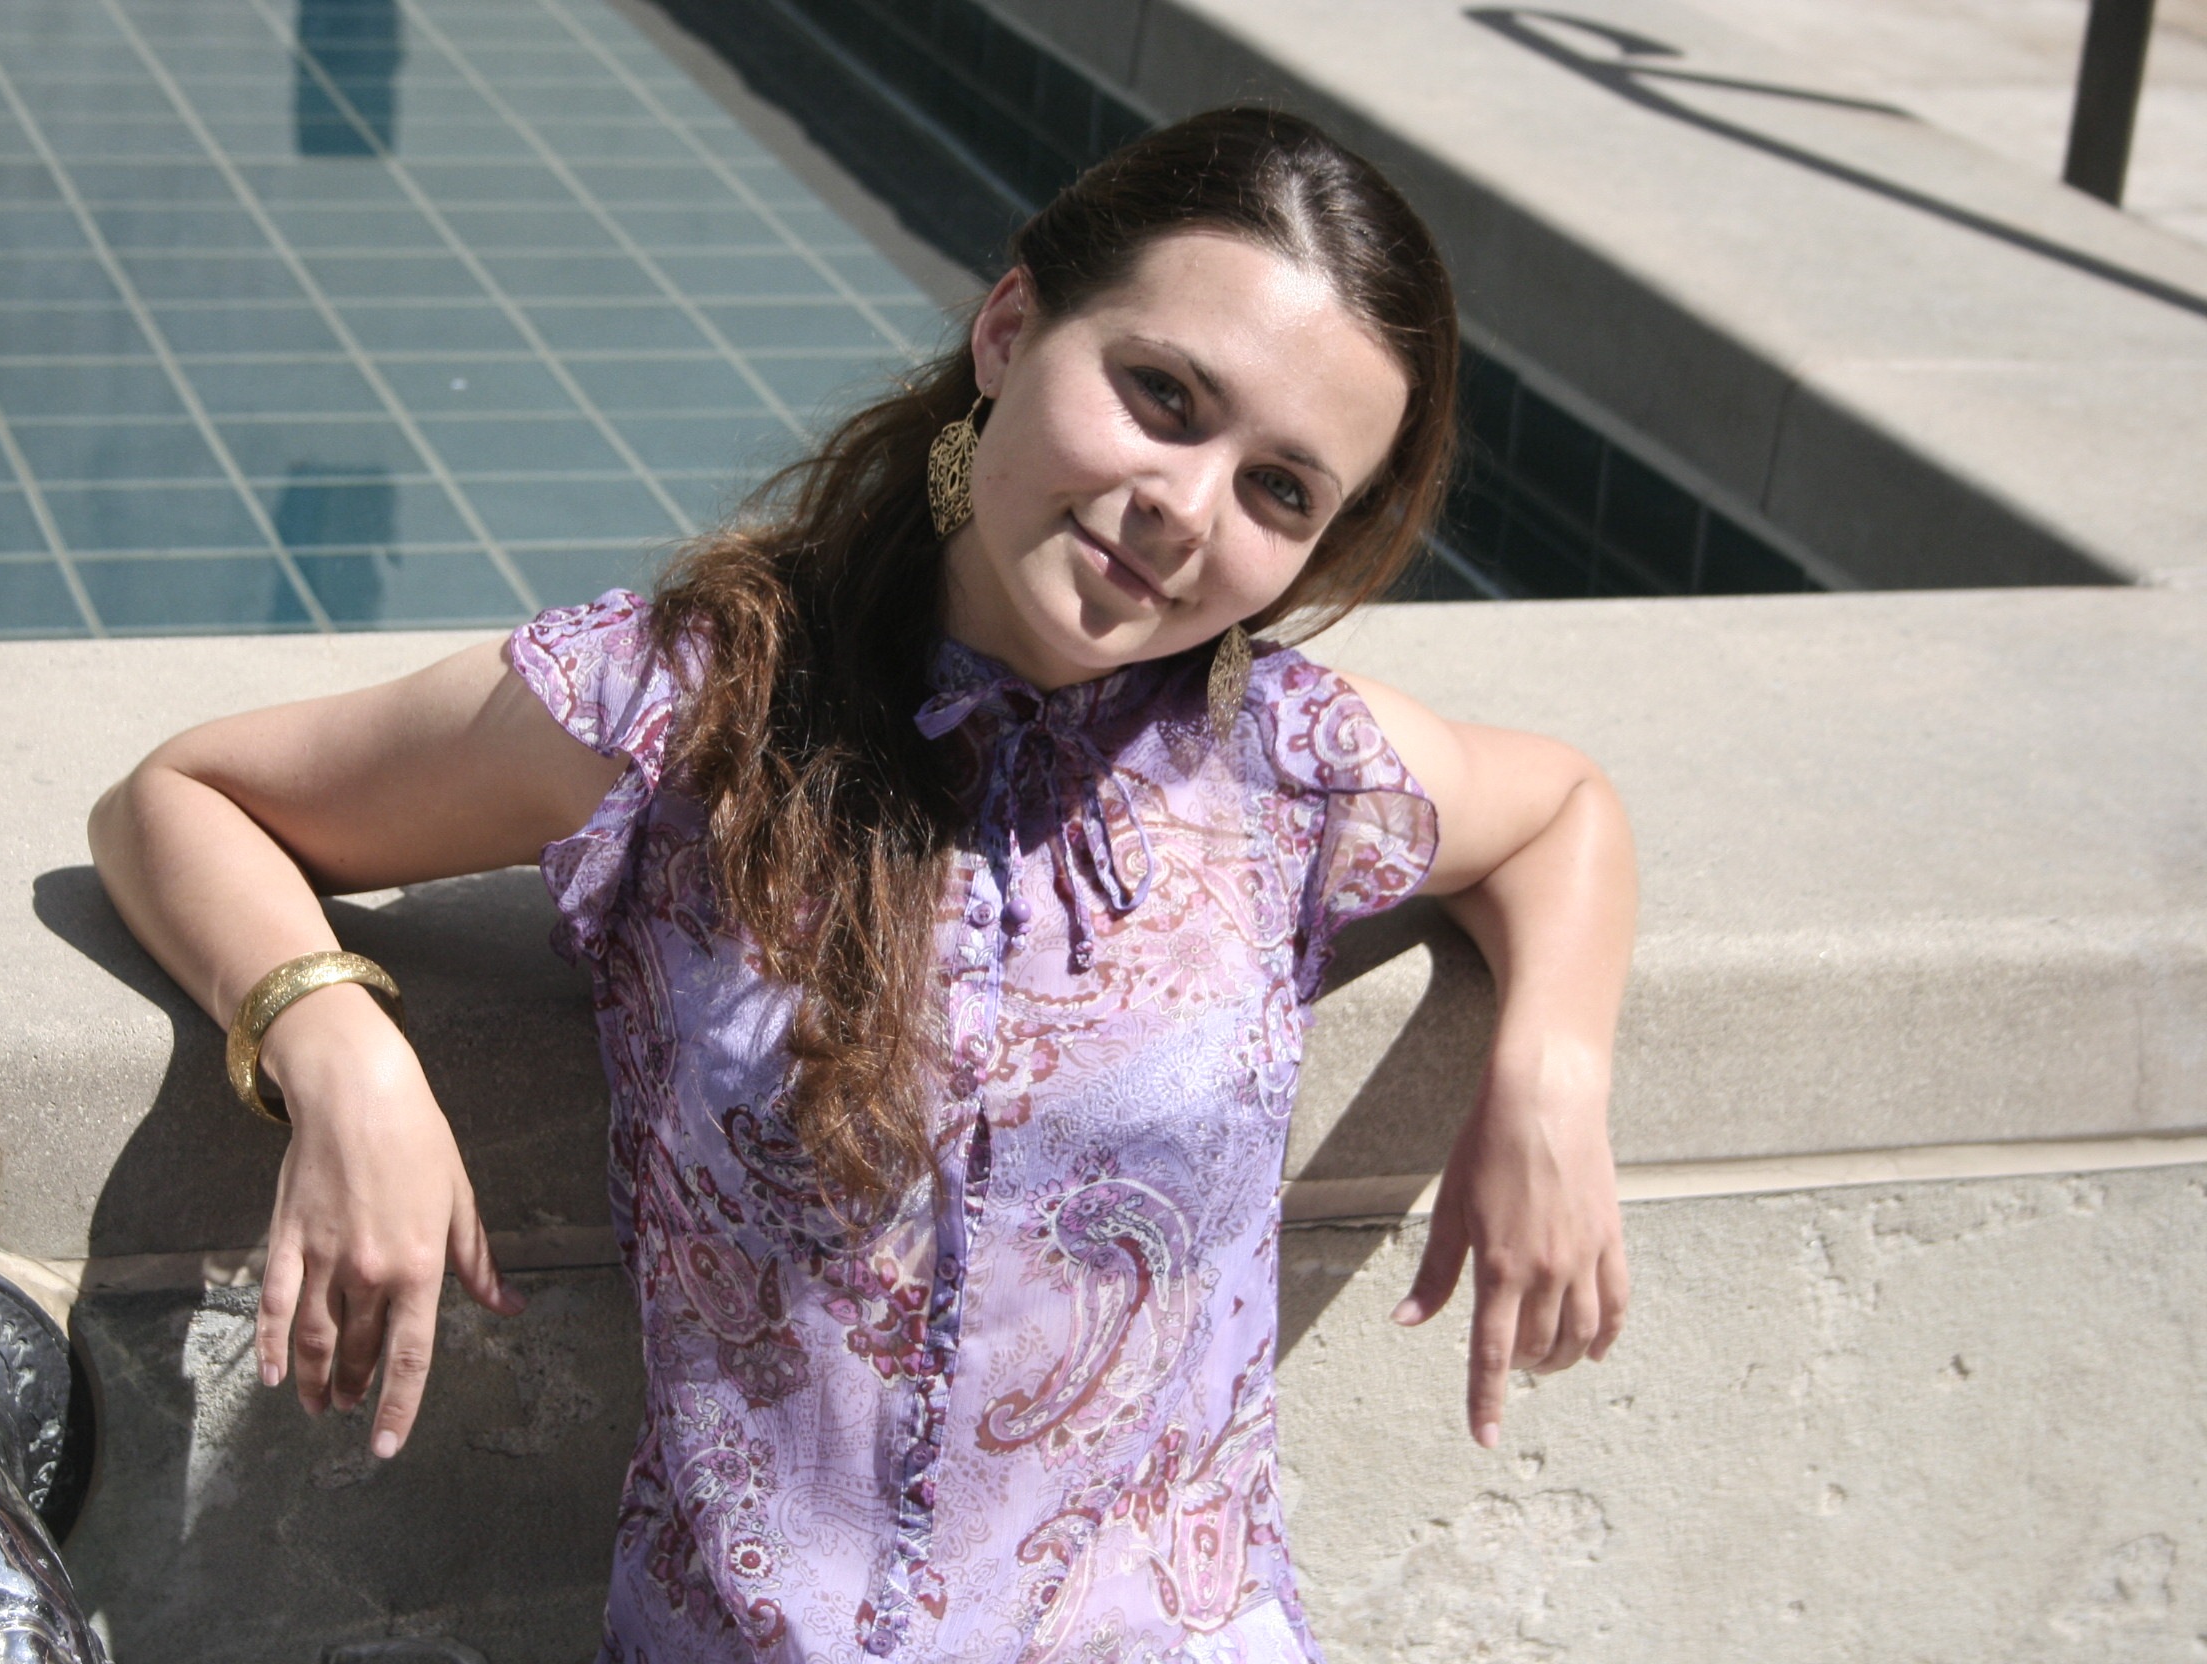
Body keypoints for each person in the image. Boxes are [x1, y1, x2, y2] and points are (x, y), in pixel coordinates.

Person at [90, 105, 1632, 1664]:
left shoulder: (1289, 769)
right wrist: (341, 1053)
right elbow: (181, 801)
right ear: (1010, 328)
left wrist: (1552, 1068)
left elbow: (1564, 813)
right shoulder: (689, 707)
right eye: (1163, 395)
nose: (1187, 505)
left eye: (1281, 490)